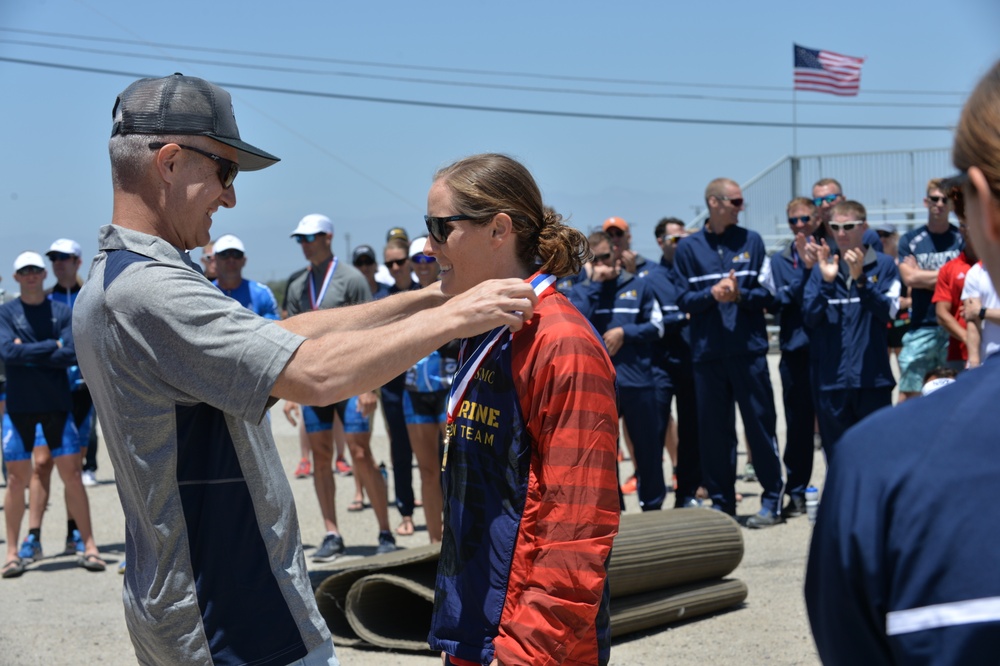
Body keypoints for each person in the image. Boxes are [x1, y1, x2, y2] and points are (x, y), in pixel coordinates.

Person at [73, 73, 537, 665]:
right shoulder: (148, 292)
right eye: (225, 172)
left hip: (210, 606)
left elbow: (280, 339)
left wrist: (431, 300)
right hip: (233, 617)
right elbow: (315, 375)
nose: (230, 197)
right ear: (169, 162)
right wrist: (456, 318)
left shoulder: (119, 281)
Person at [806, 59, 1000, 662]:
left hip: (869, 376)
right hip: (833, 378)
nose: (845, 232)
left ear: (982, 205)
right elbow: (810, 313)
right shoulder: (877, 465)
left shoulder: (887, 469)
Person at [423, 153, 619, 666]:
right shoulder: (485, 327)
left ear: (498, 230)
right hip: (477, 628)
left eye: (440, 228)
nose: (428, 246)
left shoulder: (562, 342)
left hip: (532, 645)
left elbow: (579, 524)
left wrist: (525, 650)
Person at [672, 177, 785, 528]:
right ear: (714, 202)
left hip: (748, 351)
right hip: (707, 356)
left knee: (759, 426)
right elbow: (681, 300)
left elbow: (770, 296)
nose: (741, 207)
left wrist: (738, 296)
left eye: (740, 201)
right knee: (715, 433)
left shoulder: (752, 241)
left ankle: (771, 500)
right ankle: (723, 504)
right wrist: (712, 295)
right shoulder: (688, 250)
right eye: (735, 202)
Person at [1, 251, 105, 579]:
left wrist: (28, 351)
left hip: (58, 407)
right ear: (16, 277)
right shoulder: (6, 313)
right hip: (18, 410)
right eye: (24, 271)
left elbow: (71, 354)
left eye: (35, 270)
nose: (31, 275)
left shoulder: (61, 311)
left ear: (43, 275)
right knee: (17, 480)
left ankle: (90, 547)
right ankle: (13, 553)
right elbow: (6, 352)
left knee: (72, 476)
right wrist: (49, 346)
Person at [283, 212, 372, 561]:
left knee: (360, 452)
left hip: (352, 379)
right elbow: (288, 335)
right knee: (321, 458)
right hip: (313, 382)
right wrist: (289, 391)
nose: (305, 245)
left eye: (310, 238)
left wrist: (369, 386)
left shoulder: (351, 278)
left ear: (328, 238)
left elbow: (370, 332)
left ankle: (383, 529)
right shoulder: (295, 284)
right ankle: (331, 532)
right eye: (300, 239)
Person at [570, 230, 665, 510]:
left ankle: (653, 506)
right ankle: (613, 511)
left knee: (647, 449)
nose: (602, 264)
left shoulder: (639, 286)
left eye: (605, 257)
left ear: (616, 253)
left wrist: (625, 332)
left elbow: (657, 326)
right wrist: (594, 286)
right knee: (602, 453)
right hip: (599, 386)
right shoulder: (581, 290)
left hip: (637, 381)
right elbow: (574, 324)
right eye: (595, 259)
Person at [802, 201, 900, 457]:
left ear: (864, 227)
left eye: (849, 226)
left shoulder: (885, 265)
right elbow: (809, 319)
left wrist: (861, 281)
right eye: (835, 227)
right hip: (832, 383)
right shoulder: (822, 270)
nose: (842, 233)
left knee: (877, 457)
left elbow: (888, 312)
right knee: (838, 460)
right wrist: (825, 282)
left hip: (872, 381)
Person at [760, 198, 822, 516]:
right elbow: (773, 301)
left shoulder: (831, 249)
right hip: (795, 352)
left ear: (816, 218)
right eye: (793, 221)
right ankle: (796, 491)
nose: (800, 225)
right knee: (797, 428)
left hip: (829, 352)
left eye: (805, 219)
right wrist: (806, 275)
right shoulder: (779, 260)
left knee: (834, 424)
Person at [402, 237, 458, 543]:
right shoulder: (403, 299)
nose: (423, 265)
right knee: (426, 471)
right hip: (415, 394)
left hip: (448, 393)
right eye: (417, 261)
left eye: (427, 260)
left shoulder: (454, 291)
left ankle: (455, 539)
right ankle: (434, 544)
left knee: (453, 469)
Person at [896, 178, 963, 401]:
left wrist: (924, 276)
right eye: (934, 199)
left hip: (954, 326)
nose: (939, 204)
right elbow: (910, 277)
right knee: (910, 389)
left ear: (952, 205)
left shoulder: (960, 237)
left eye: (945, 200)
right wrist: (949, 275)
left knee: (955, 390)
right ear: (926, 202)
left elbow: (965, 276)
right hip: (922, 325)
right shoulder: (911, 240)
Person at [651, 217, 702, 507]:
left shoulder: (692, 272)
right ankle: (653, 498)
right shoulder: (651, 276)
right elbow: (652, 320)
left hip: (691, 363)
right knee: (655, 432)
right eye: (674, 240)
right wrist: (682, 317)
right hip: (659, 366)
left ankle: (687, 493)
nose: (680, 245)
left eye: (684, 239)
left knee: (691, 431)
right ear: (660, 242)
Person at [381, 236, 422, 536]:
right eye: (389, 263)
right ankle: (406, 511)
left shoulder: (427, 293)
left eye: (399, 261)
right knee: (400, 451)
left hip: (427, 387)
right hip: (394, 386)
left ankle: (441, 508)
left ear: (410, 261)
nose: (395, 267)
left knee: (437, 453)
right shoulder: (384, 299)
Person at [932, 220, 976, 370]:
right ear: (961, 230)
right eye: (965, 224)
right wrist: (967, 337)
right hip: (960, 354)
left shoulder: (993, 265)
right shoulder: (949, 269)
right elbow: (942, 313)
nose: (971, 228)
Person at [211, 234, 280, 319]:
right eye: (224, 254)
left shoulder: (262, 293)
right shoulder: (206, 292)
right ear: (214, 260)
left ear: (244, 260)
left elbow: (274, 327)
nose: (231, 259)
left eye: (237, 254)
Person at [961, 258, 1000, 368]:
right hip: (988, 360)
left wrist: (981, 311)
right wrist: (973, 362)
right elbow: (972, 319)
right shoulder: (976, 272)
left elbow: (975, 312)